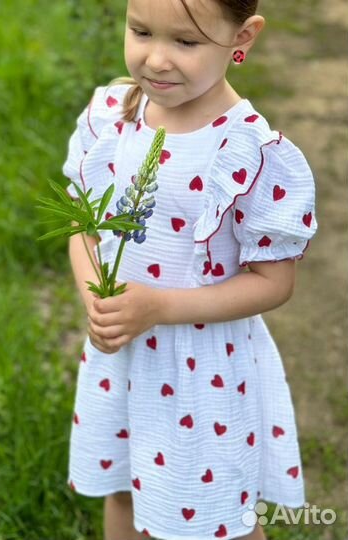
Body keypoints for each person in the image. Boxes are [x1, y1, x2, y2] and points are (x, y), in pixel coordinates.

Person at [62, 0, 317, 538]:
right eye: (140, 31)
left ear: (243, 36)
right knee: (126, 491)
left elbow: (275, 282)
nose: (155, 59)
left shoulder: (248, 151)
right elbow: (82, 224)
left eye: (186, 42)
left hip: (202, 371)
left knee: (219, 510)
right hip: (125, 355)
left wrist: (159, 306)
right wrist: (95, 297)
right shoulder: (112, 115)